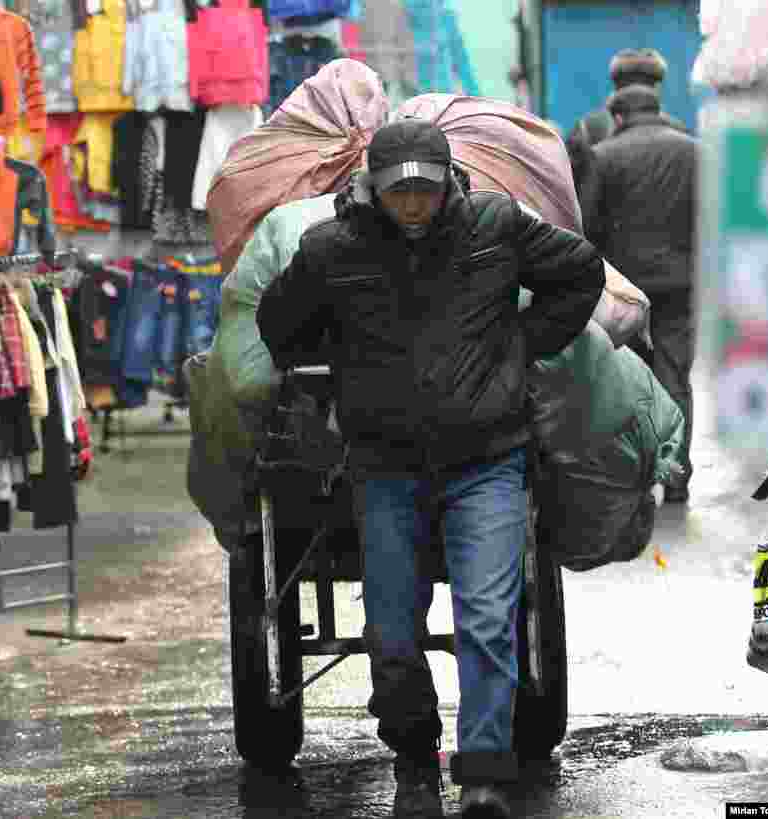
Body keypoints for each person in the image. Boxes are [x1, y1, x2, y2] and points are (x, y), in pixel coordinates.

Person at [256, 119, 606, 819]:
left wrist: (519, 347)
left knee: (487, 618)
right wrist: (338, 363)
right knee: (391, 633)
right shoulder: (331, 248)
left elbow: (580, 273)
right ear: (373, 189)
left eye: (425, 188)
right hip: (385, 469)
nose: (413, 203)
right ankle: (414, 759)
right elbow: (279, 325)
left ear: (449, 182)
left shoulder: (497, 226)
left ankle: (481, 773)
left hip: (488, 462)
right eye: (399, 191)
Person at [577, 83, 699, 504]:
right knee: (675, 374)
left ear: (618, 116)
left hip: (626, 288)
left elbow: (588, 224)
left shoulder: (604, 154)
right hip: (682, 282)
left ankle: (639, 473)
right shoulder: (691, 150)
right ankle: (678, 472)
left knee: (628, 378)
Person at [565, 48, 686, 197]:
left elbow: (572, 192)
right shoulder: (679, 132)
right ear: (657, 89)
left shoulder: (588, 130)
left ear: (616, 88)